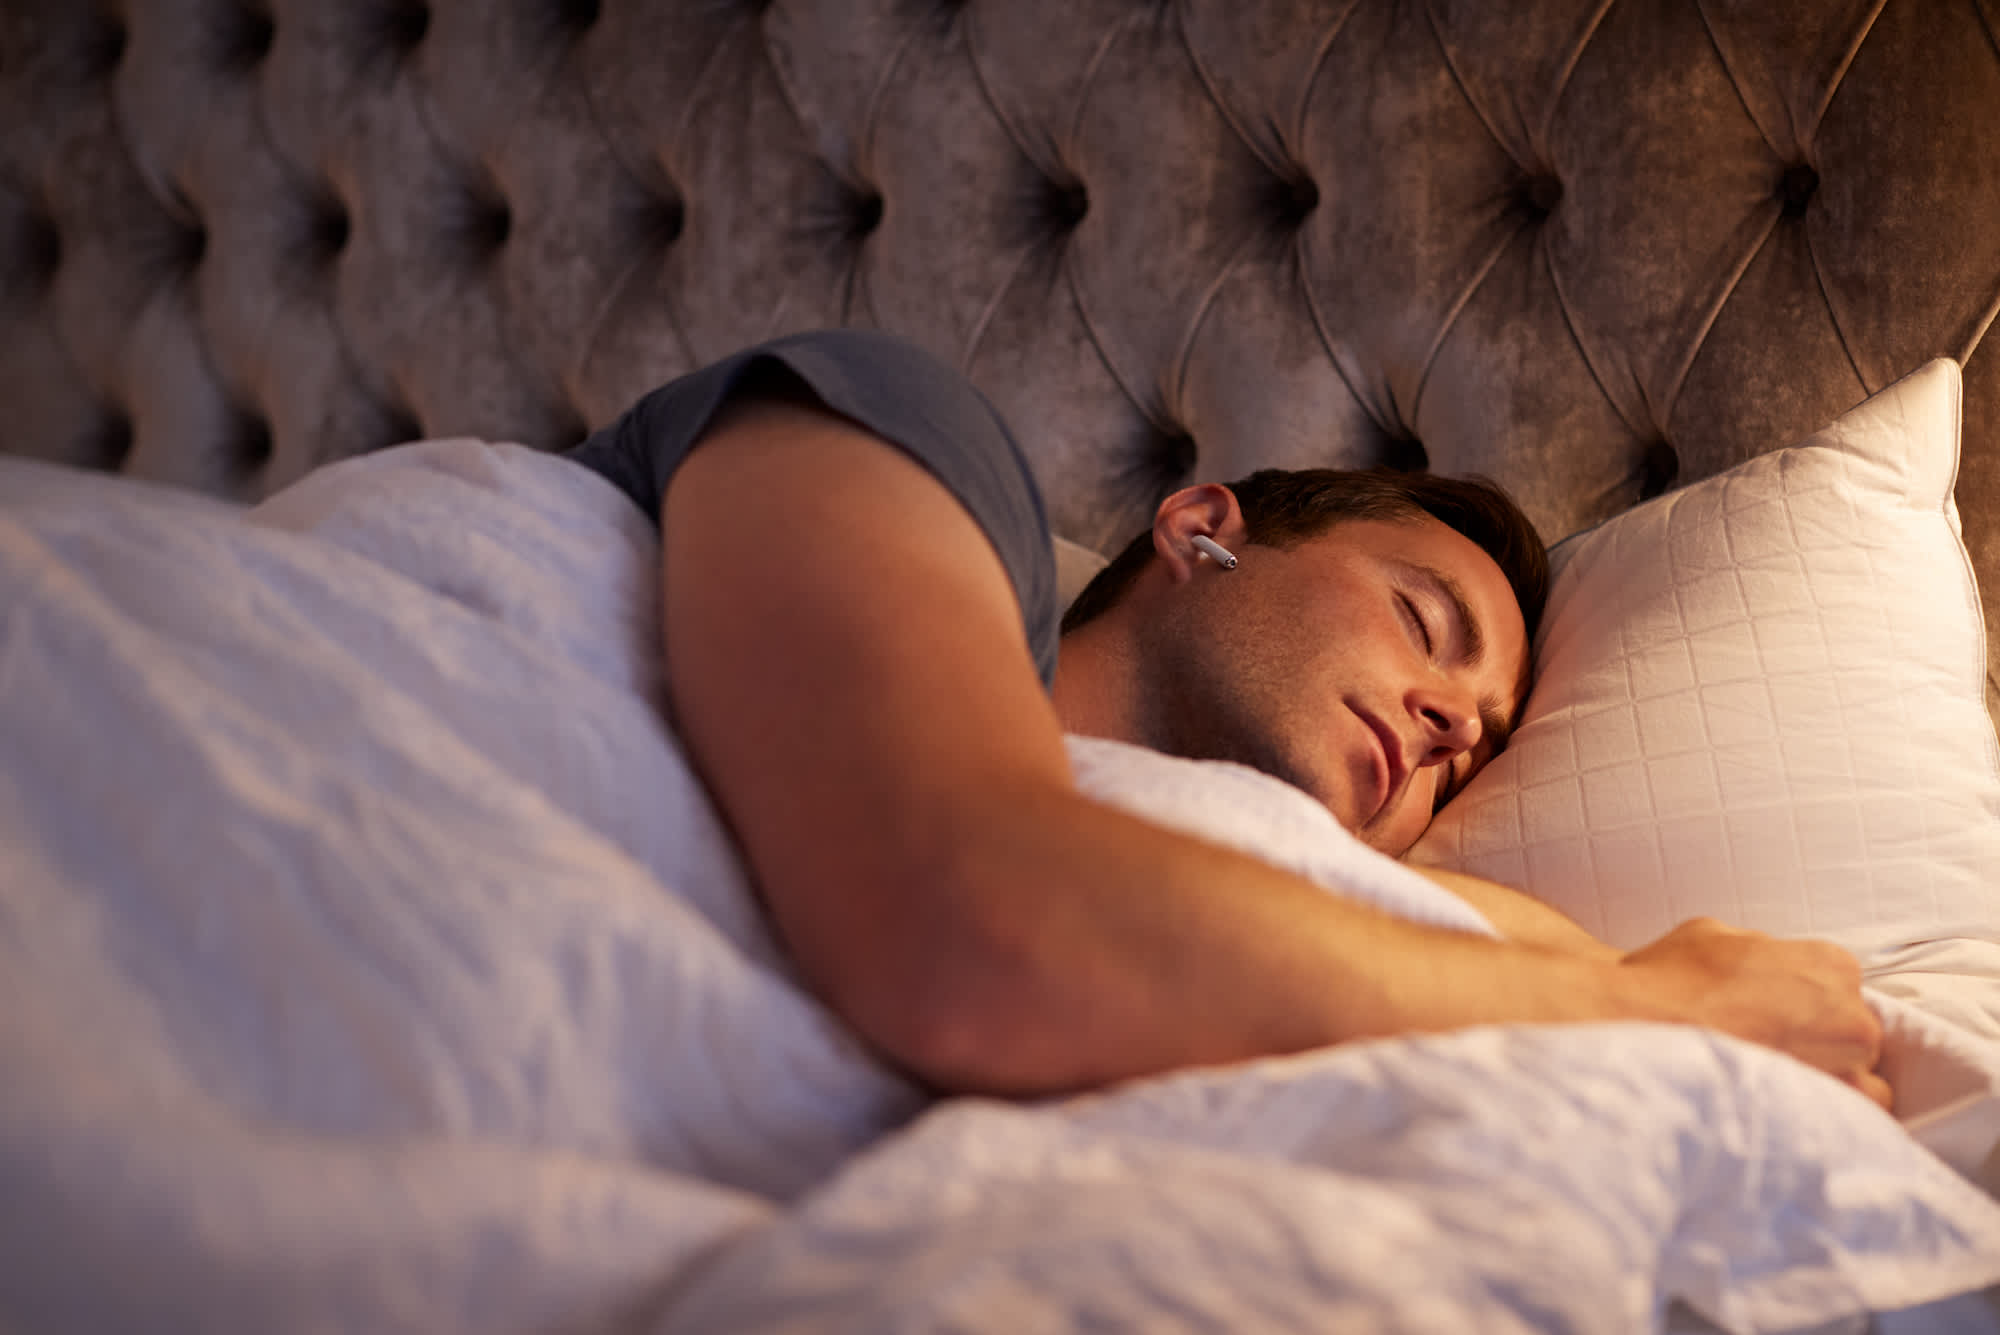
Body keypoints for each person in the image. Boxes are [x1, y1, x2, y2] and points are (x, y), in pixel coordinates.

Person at [567, 329, 1891, 1109]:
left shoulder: (1242, 900)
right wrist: (1654, 1017)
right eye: (1426, 622)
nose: (1446, 728)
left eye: (1474, 754)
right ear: (1204, 533)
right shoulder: (907, 435)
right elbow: (965, 907)